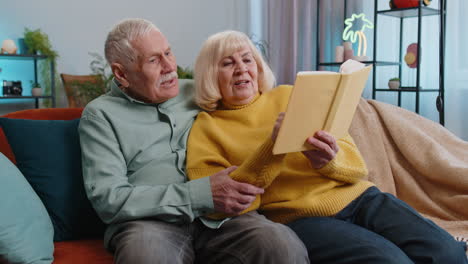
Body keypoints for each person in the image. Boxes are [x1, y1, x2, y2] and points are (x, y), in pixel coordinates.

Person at [187, 30, 468, 264]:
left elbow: (357, 168)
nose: (241, 69)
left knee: (450, 254)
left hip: (361, 198)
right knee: (391, 261)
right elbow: (221, 205)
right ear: (210, 74)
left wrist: (329, 160)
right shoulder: (206, 127)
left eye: (247, 59)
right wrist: (274, 146)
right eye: (227, 63)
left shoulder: (290, 95)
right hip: (301, 218)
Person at [78, 19, 309, 264]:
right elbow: (109, 199)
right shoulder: (100, 115)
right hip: (151, 225)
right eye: (154, 60)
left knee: (281, 245)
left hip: (222, 219)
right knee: (147, 256)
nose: (170, 67)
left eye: (168, 53)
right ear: (121, 73)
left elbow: (253, 105)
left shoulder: (198, 91)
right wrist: (201, 194)